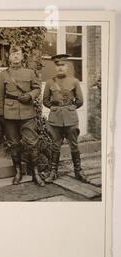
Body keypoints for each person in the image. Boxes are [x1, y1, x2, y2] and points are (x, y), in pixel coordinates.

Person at [0, 45, 45, 187]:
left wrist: (30, 95)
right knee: (14, 144)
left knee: (32, 142)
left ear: (22, 56)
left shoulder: (30, 73)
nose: (16, 56)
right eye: (13, 54)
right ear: (9, 57)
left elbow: (37, 89)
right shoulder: (4, 75)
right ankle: (18, 172)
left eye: (18, 54)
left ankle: (35, 173)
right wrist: (0, 114)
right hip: (9, 114)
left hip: (27, 112)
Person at [42, 54, 89, 183]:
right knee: (55, 146)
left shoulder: (74, 81)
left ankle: (78, 172)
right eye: (58, 65)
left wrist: (70, 108)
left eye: (62, 65)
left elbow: (80, 101)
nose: (60, 68)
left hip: (71, 119)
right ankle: (53, 172)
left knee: (74, 145)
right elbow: (45, 100)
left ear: (67, 66)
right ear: (55, 67)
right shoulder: (50, 82)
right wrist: (55, 107)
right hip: (55, 120)